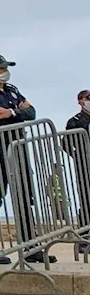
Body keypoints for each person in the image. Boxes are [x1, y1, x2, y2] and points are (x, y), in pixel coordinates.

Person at [0, 54, 55, 265]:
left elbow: (32, 112)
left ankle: (30, 246)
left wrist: (11, 111)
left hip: (18, 147)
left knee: (25, 197)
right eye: (0, 67)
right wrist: (18, 112)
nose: (4, 71)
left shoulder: (12, 90)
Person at [64, 90, 90, 254]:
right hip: (85, 167)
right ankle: (84, 239)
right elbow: (66, 143)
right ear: (80, 101)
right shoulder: (75, 121)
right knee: (87, 201)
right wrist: (78, 158)